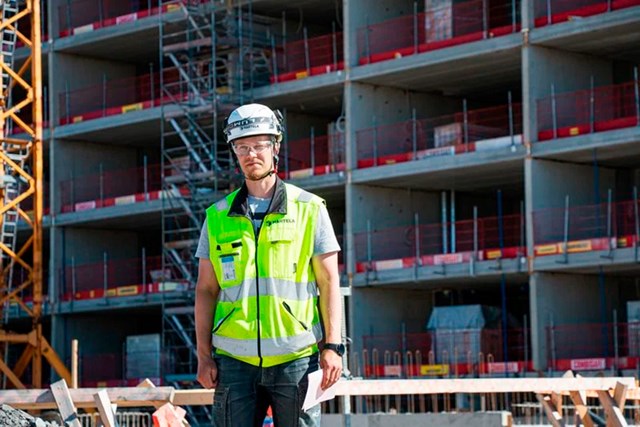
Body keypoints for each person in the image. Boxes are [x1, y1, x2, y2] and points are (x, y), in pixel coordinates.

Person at [194, 103, 344, 427]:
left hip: (295, 359)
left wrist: (333, 346)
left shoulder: (309, 209)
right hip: (234, 362)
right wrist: (204, 356)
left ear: (275, 146)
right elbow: (206, 289)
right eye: (243, 147)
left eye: (260, 145)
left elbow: (329, 282)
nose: (252, 154)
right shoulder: (217, 217)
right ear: (234, 151)